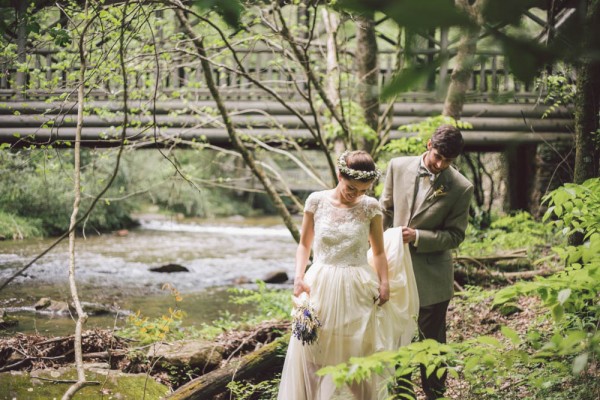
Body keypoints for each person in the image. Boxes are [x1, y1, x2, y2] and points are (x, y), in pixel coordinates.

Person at [277, 150, 419, 400]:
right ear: (339, 174)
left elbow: (378, 252)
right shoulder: (316, 201)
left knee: (358, 356)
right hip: (320, 283)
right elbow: (304, 245)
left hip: (357, 286)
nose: (357, 195)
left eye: (363, 190)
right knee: (313, 355)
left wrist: (385, 283)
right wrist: (299, 277)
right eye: (352, 188)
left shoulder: (370, 208)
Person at [380, 124, 474, 399]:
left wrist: (419, 236)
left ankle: (435, 394)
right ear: (428, 143)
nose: (440, 164)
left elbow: (455, 236)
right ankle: (403, 393)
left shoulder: (461, 187)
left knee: (432, 343)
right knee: (399, 338)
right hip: (395, 270)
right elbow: (384, 211)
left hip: (432, 277)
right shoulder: (397, 167)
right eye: (438, 157)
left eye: (448, 161)